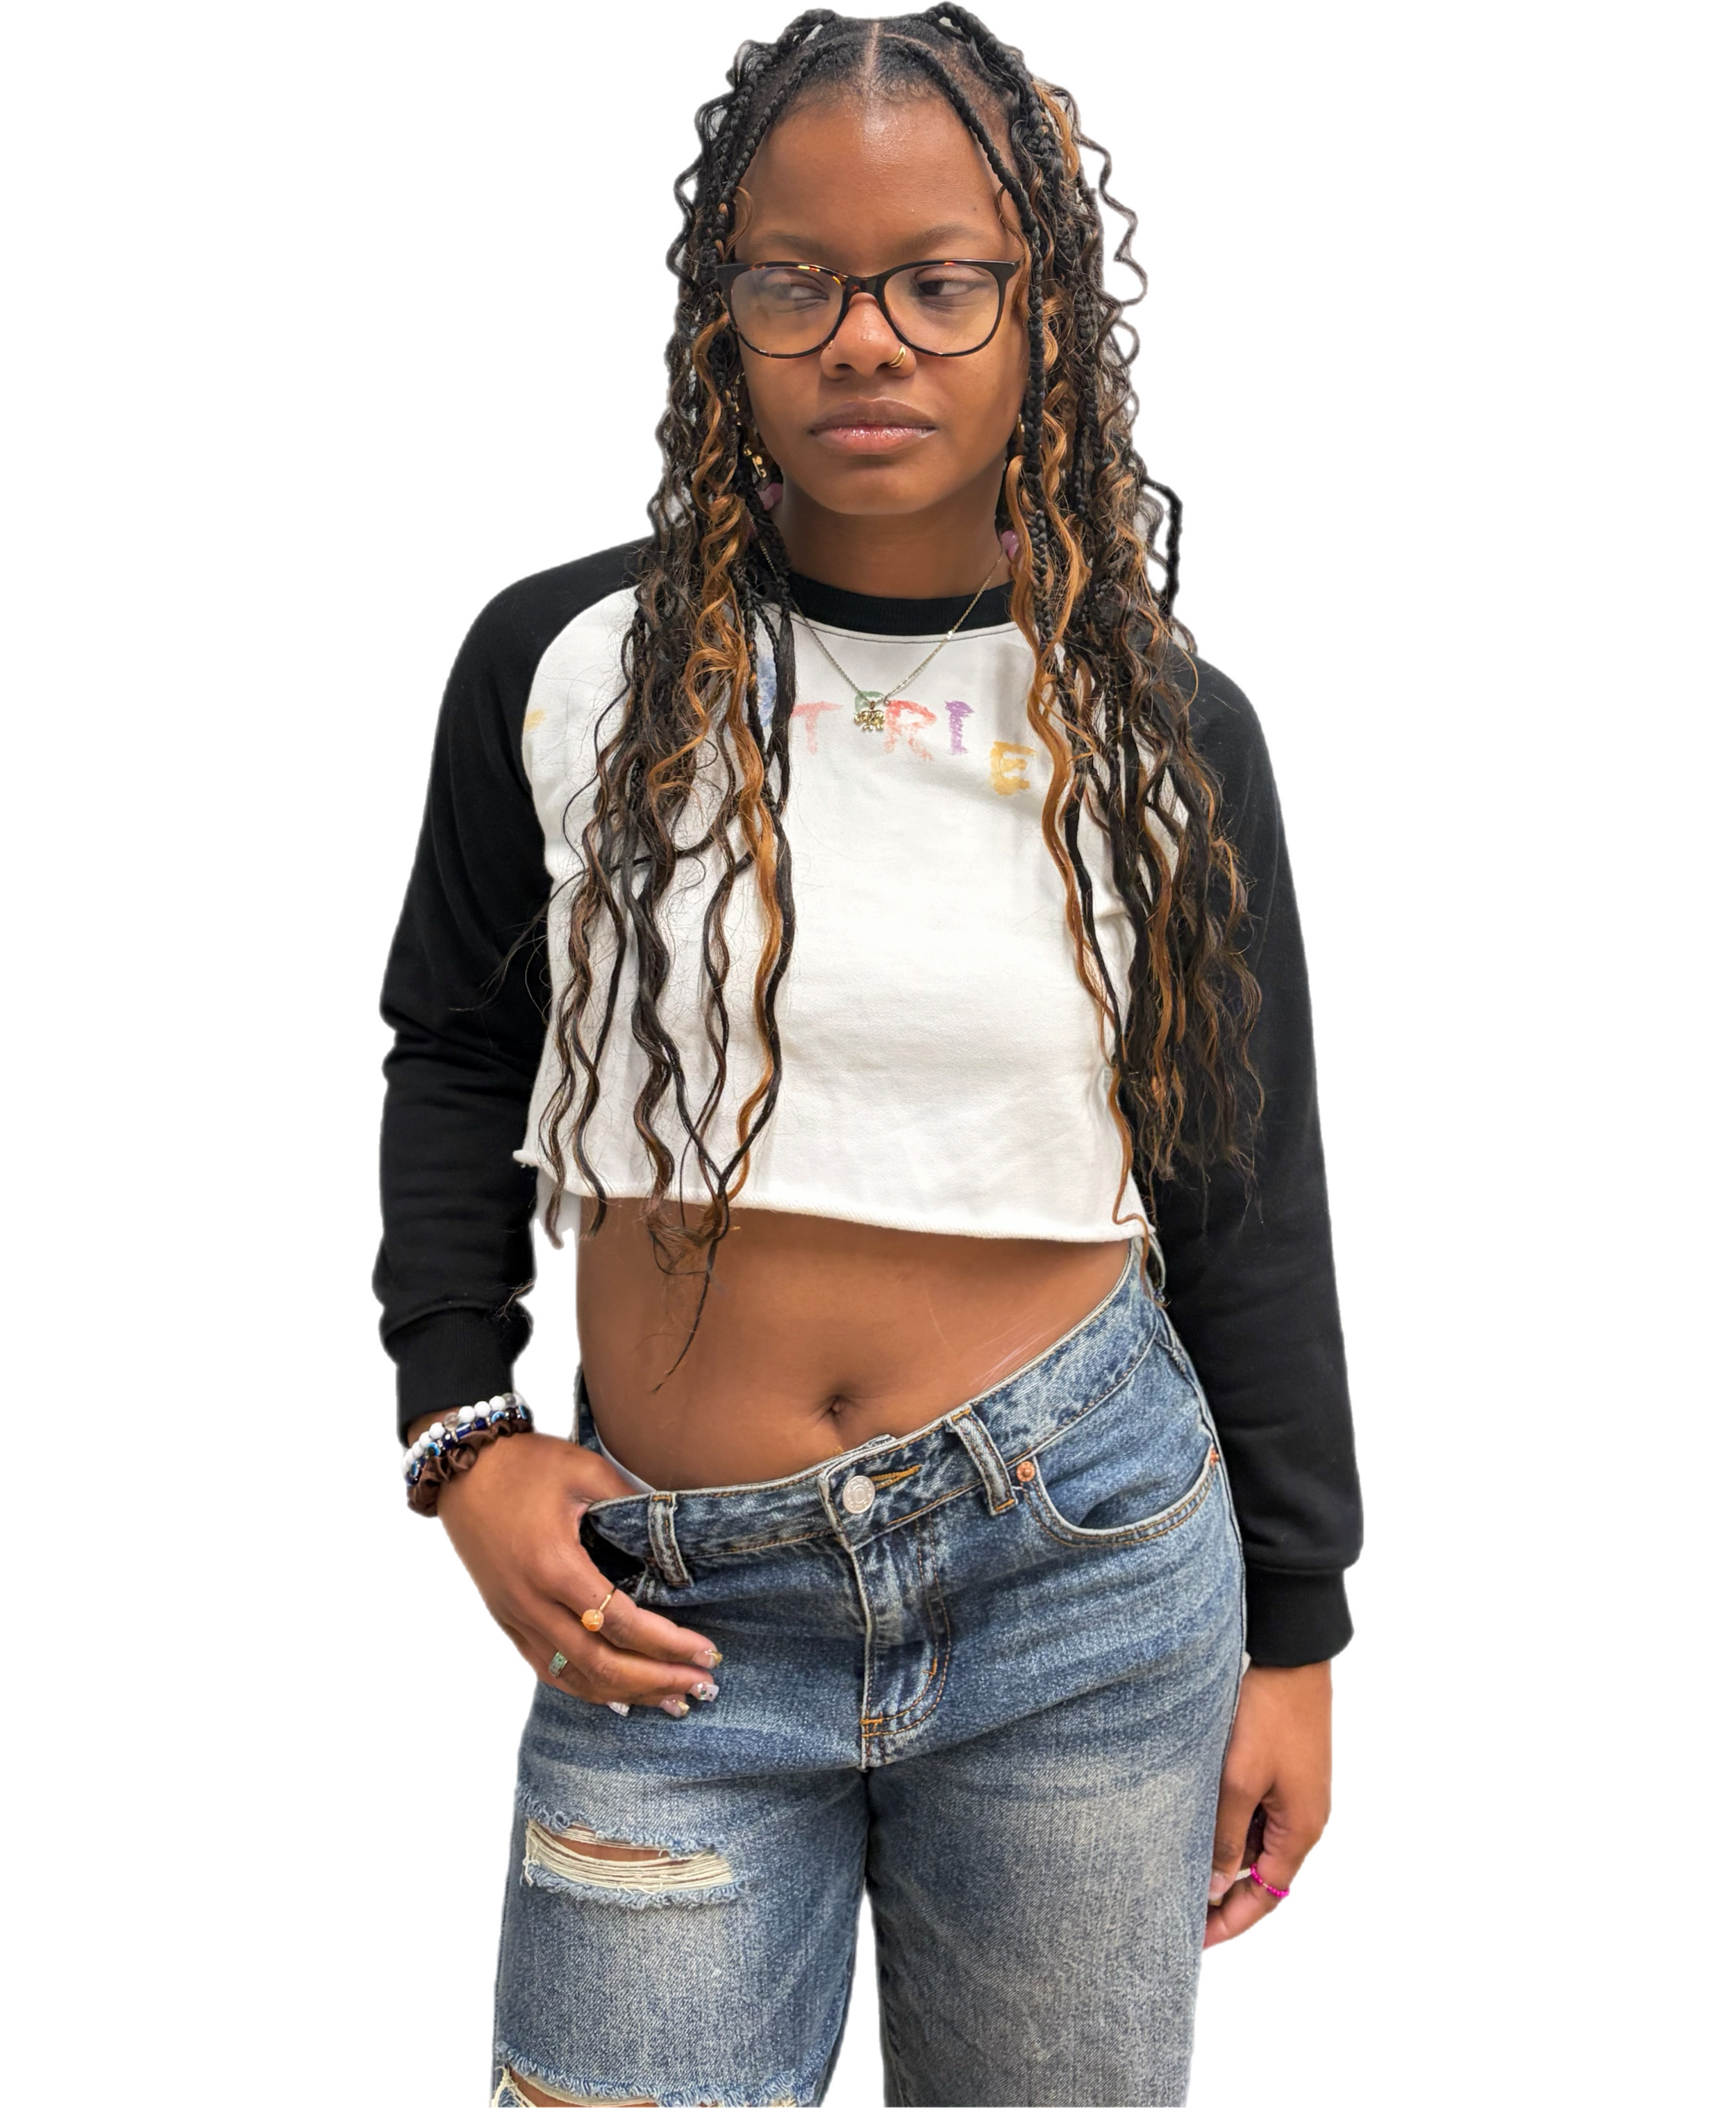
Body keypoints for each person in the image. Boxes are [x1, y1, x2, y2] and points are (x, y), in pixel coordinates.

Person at [378, 8, 1360, 2107]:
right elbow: (453, 1059)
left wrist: (1301, 1634)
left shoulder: (1165, 732)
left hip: (1085, 1585)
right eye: (797, 283)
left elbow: (1243, 1188)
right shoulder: (565, 668)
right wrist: (463, 1434)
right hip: (672, 1610)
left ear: (1042, 316)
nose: (865, 344)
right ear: (719, 319)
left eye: (937, 284)